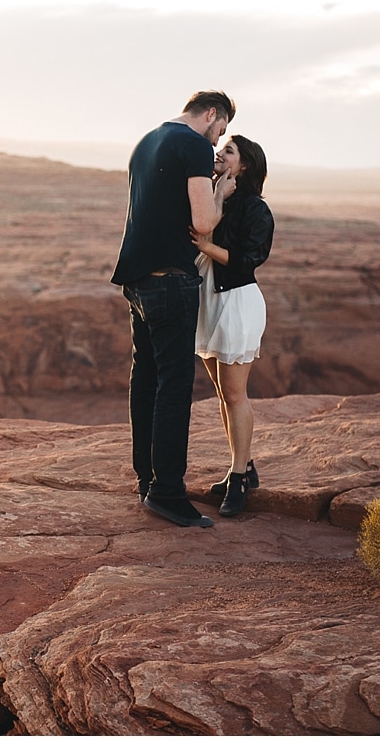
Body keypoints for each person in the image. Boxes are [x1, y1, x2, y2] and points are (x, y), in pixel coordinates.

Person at [110, 89, 236, 529]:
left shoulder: (146, 141)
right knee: (174, 385)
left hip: (137, 278)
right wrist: (219, 194)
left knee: (144, 378)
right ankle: (166, 493)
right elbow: (202, 222)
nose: (218, 142)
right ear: (210, 115)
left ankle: (146, 479)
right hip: (171, 279)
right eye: (220, 131)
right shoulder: (194, 145)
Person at [191, 133, 274, 519]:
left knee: (236, 395)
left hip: (237, 304)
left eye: (228, 151)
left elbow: (247, 261)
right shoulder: (215, 197)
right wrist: (219, 195)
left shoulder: (257, 210)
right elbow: (201, 226)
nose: (219, 154)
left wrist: (207, 248)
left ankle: (238, 476)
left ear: (244, 165)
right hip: (209, 301)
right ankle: (245, 465)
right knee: (225, 395)